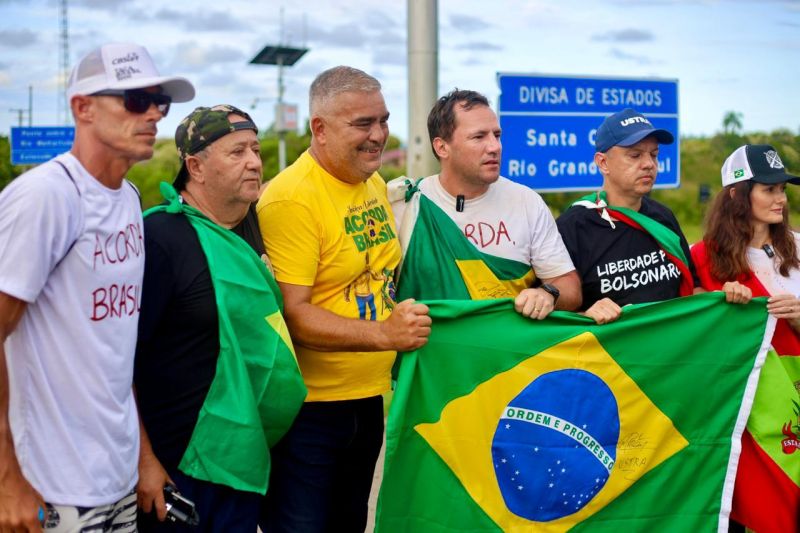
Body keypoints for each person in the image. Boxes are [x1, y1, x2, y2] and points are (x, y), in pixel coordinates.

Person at [0, 43, 194, 532]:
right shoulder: (48, 197)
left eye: (159, 101)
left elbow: (112, 349)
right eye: (135, 100)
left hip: (115, 477)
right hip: (50, 486)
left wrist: (143, 459)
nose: (153, 113)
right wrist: (7, 481)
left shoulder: (128, 197)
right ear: (81, 107)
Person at [256, 66, 431, 532]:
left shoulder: (370, 181)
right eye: (362, 124)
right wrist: (385, 334)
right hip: (308, 412)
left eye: (383, 120)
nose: (378, 136)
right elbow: (295, 315)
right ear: (320, 128)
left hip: (367, 399)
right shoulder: (291, 199)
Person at [134, 105, 306, 532]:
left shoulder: (253, 231)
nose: (253, 161)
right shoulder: (160, 239)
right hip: (178, 466)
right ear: (195, 166)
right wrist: (144, 462)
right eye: (235, 153)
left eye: (254, 149)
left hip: (243, 455)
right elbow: (118, 364)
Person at [390, 89, 581, 315]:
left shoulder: (526, 201)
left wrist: (548, 294)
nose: (495, 147)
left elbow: (570, 287)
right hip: (429, 349)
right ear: (442, 147)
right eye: (479, 137)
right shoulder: (404, 204)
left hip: (506, 349)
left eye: (497, 135)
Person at [690, 144, 800, 533]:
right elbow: (690, 333)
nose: (781, 198)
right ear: (737, 195)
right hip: (743, 413)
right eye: (769, 189)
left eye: (783, 189)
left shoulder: (799, 247)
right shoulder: (701, 258)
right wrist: (715, 305)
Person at [556, 108, 749, 324]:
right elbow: (551, 312)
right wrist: (586, 315)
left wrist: (723, 297)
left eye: (654, 154)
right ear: (603, 163)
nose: (649, 164)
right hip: (610, 353)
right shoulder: (572, 227)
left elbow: (692, 289)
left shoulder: (663, 217)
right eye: (635, 155)